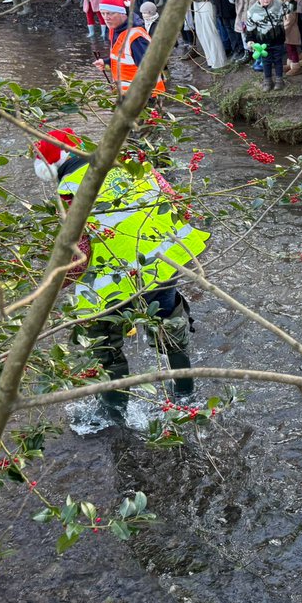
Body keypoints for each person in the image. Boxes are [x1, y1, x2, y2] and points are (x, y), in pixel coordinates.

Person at [32, 128, 206, 410]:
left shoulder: (73, 189)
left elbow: (80, 255)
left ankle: (114, 412)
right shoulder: (130, 161)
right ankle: (186, 395)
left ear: (50, 166)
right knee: (169, 323)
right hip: (163, 262)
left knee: (105, 342)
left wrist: (49, 288)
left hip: (116, 279)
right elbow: (177, 202)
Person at [99, 0, 165, 100]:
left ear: (122, 13)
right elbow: (125, 58)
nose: (106, 18)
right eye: (103, 13)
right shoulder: (117, 30)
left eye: (110, 13)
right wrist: (106, 62)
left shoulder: (135, 37)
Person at [245, 0, 288, 91]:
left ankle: (279, 80)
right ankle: (267, 80)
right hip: (263, 43)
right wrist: (250, 40)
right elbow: (250, 28)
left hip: (278, 39)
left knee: (278, 60)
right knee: (266, 61)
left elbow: (289, 10)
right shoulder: (252, 11)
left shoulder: (278, 4)